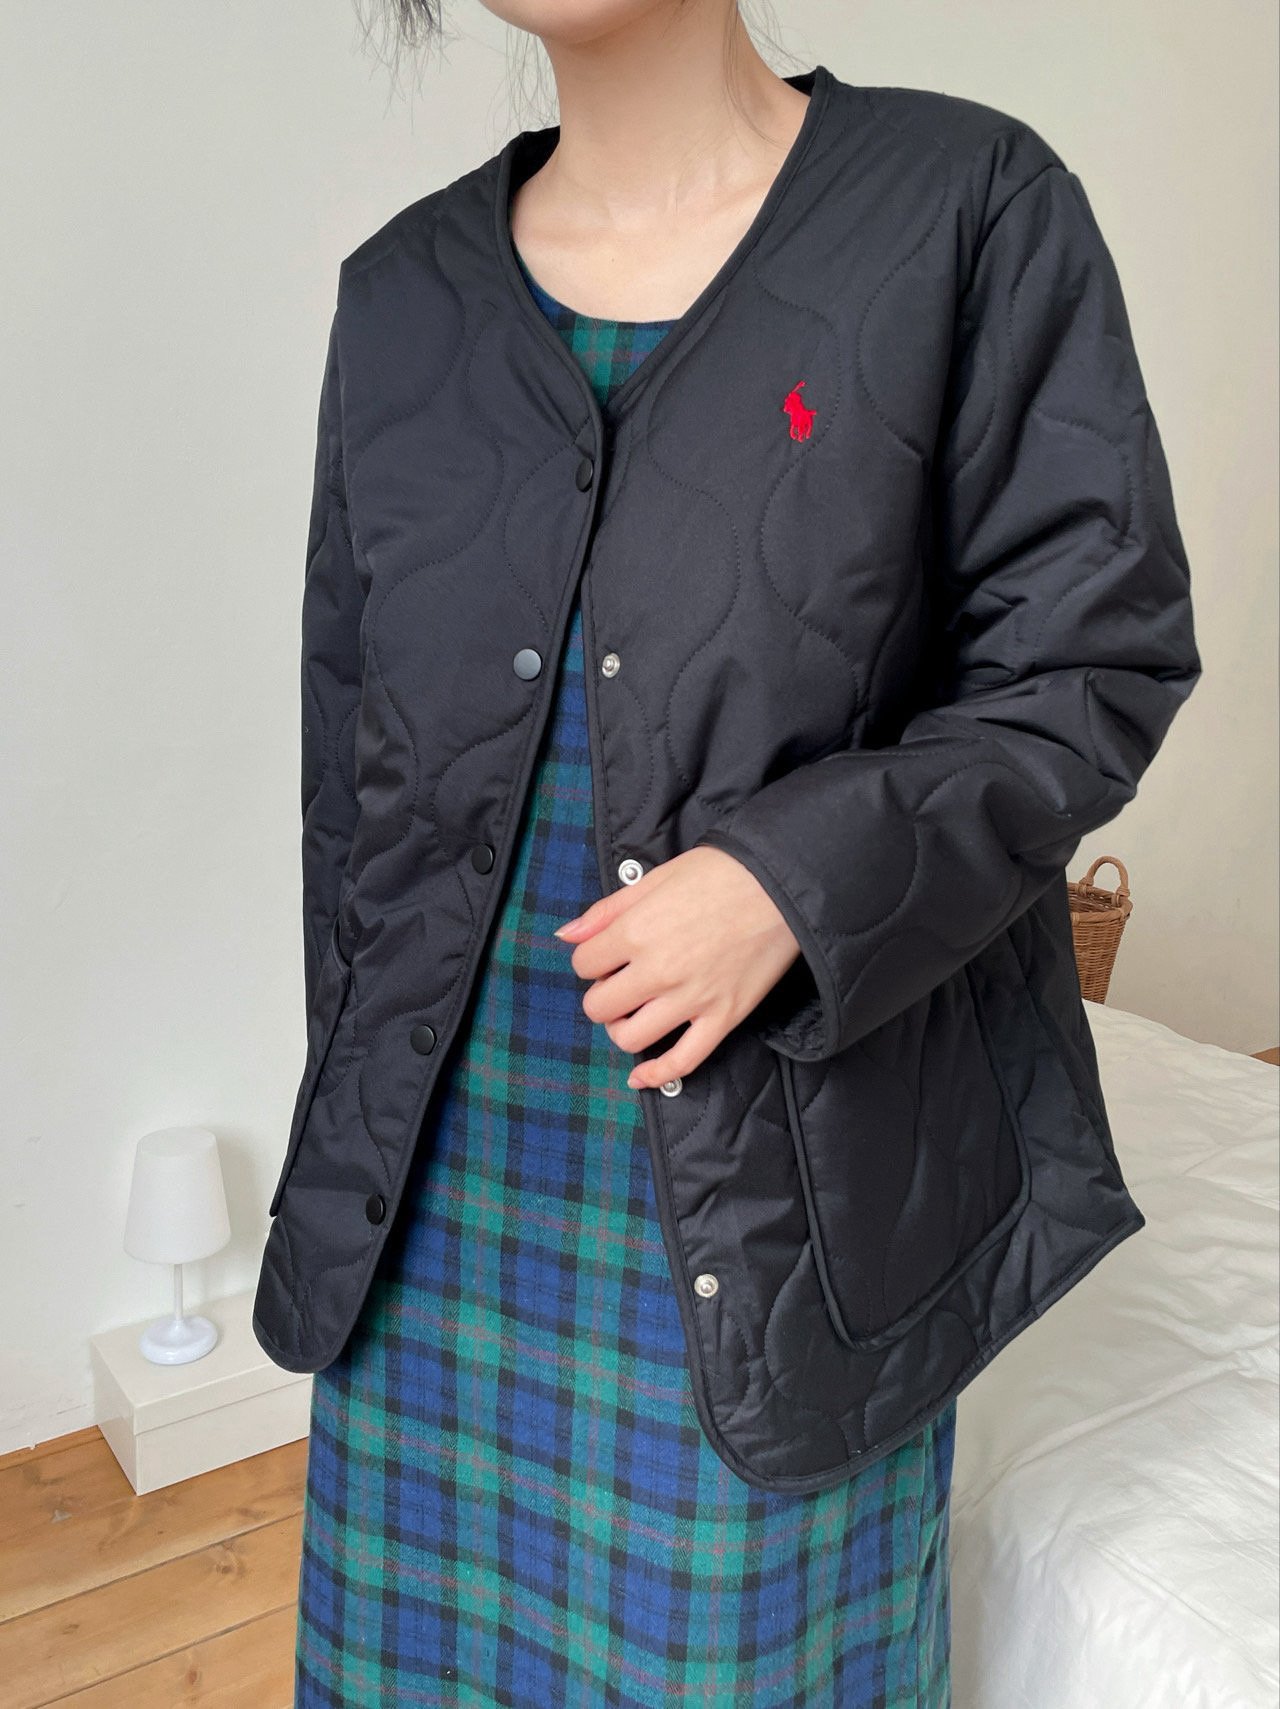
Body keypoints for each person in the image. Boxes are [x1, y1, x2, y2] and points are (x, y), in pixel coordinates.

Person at [268, 4, 1200, 1705]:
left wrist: (794, 879)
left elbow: (1092, 662)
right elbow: (358, 790)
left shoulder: (967, 208)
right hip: (432, 1217)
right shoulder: (399, 299)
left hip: (786, 1218)